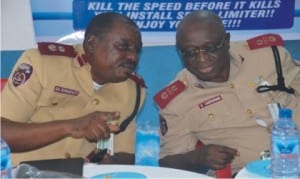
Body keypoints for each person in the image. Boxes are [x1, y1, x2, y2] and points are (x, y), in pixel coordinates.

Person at [154, 10, 300, 176]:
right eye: (190, 52)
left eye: (210, 48)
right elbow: (167, 163)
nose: (202, 59)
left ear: (227, 41)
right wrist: (198, 157)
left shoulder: (270, 56)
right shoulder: (177, 100)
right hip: (246, 174)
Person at [1, 12, 146, 165]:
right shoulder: (43, 64)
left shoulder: (133, 90)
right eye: (123, 47)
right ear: (91, 43)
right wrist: (70, 126)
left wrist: (110, 163)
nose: (133, 57)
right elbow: (3, 133)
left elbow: (125, 155)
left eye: (137, 50)